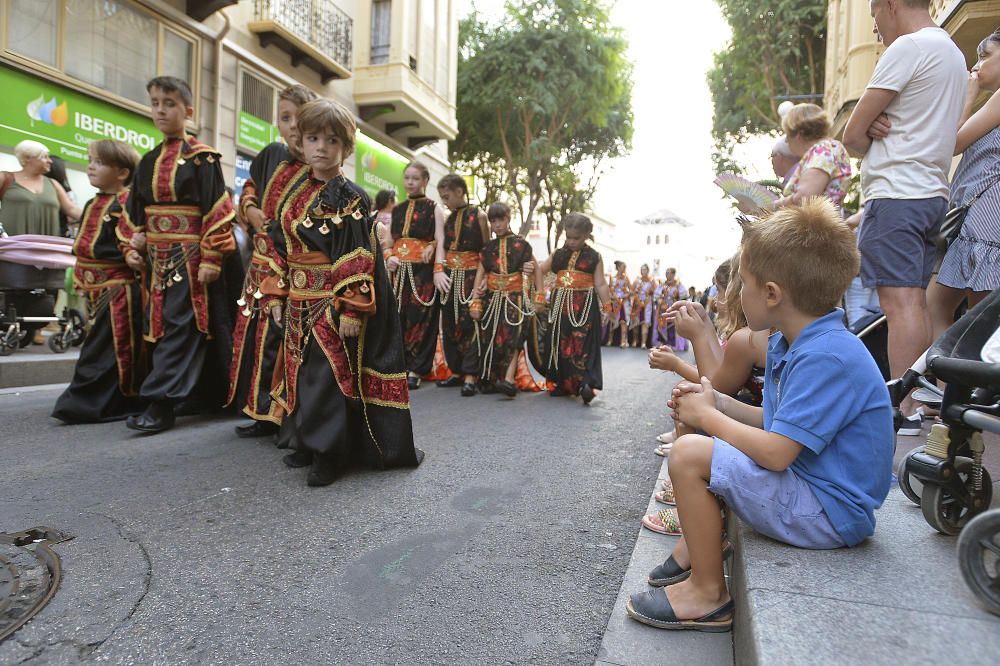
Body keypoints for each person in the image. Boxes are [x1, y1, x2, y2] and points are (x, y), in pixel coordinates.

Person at [626, 198, 894, 632]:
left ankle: (707, 594)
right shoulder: (800, 343)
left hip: (828, 512)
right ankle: (699, 547)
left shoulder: (827, 356)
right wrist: (718, 404)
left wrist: (710, 419)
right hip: (815, 491)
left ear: (771, 294)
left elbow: (775, 454)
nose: (734, 294)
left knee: (690, 453)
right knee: (703, 433)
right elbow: (774, 425)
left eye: (743, 284)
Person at [264, 98, 423, 486]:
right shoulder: (292, 190)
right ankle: (304, 441)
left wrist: (352, 308)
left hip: (329, 301)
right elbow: (277, 243)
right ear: (300, 141)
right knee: (299, 374)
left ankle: (329, 454)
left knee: (327, 377)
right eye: (313, 137)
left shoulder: (349, 195)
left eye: (331, 140)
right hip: (297, 300)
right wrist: (275, 294)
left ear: (346, 148)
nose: (321, 147)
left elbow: (355, 255)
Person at [842, 0, 966, 423]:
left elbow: (852, 136)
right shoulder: (952, 52)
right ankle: (921, 401)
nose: (875, 25)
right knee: (916, 303)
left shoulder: (908, 48)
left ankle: (907, 406)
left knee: (901, 305)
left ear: (891, 4)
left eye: (875, 12)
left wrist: (871, 128)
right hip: (932, 193)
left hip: (897, 194)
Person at [118, 76, 238, 433]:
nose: (159, 110)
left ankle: (160, 404)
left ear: (187, 111)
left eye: (168, 103)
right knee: (160, 327)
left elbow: (218, 210)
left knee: (182, 326)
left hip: (190, 260)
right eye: (154, 102)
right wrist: (130, 246)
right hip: (156, 262)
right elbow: (131, 215)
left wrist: (213, 258)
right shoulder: (148, 161)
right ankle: (196, 395)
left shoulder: (203, 159)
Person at [228, 84, 316, 439]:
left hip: (295, 271)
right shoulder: (273, 156)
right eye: (284, 118)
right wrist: (249, 209)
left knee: (285, 340)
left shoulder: (318, 171)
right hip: (261, 265)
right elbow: (250, 187)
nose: (292, 126)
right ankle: (260, 411)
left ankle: (286, 415)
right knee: (257, 337)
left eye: (299, 117)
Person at [52, 140, 145, 423]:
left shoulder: (127, 202)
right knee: (100, 346)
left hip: (118, 290)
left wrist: (132, 251)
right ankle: (92, 401)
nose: (91, 166)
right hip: (95, 287)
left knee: (111, 349)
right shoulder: (94, 202)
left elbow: (131, 236)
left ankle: (93, 403)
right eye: (90, 160)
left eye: (100, 162)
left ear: (122, 173)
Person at [929, 28, 1000, 344]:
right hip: (983, 221)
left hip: (985, 221)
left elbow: (951, 142)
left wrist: (967, 95)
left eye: (985, 56)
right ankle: (955, 390)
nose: (977, 65)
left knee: (969, 318)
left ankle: (959, 390)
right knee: (969, 316)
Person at [381, 161, 444, 390]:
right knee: (399, 318)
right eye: (407, 178)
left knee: (422, 320)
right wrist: (389, 257)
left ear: (425, 181)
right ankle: (400, 365)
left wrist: (434, 250)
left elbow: (440, 239)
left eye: (415, 178)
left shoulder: (434, 208)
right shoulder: (396, 210)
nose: (410, 182)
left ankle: (417, 369)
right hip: (399, 275)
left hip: (423, 274)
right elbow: (388, 242)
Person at [471, 202, 544, 396]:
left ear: (508, 218)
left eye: (501, 220)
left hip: (517, 300)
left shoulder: (521, 244)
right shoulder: (488, 248)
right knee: (493, 338)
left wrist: (539, 297)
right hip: (493, 300)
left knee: (515, 338)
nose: (497, 225)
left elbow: (536, 269)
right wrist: (475, 300)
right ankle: (494, 377)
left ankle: (509, 379)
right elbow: (481, 272)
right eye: (493, 221)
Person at [539, 213, 611, 404]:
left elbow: (601, 284)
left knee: (583, 345)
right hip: (559, 306)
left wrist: (608, 307)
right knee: (560, 343)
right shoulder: (558, 254)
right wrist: (531, 269)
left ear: (587, 234)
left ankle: (586, 384)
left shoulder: (594, 257)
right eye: (568, 237)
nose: (571, 241)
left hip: (585, 307)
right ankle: (562, 383)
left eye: (576, 238)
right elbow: (541, 271)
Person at [434, 174, 489, 395]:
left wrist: (483, 279)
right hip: (450, 276)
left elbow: (486, 250)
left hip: (471, 276)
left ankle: (470, 375)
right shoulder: (448, 219)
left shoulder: (480, 216)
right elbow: (444, 247)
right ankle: (456, 371)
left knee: (470, 324)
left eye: (446, 197)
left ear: (459, 191)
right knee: (449, 323)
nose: (445, 201)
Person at [776, 104, 852, 209]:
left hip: (811, 224)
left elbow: (805, 198)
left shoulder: (823, 151)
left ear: (798, 135)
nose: (786, 141)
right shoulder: (832, 148)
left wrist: (776, 204)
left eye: (787, 135)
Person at [0, 140, 81, 237]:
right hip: (11, 246)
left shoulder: (53, 184)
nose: (50, 161)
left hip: (46, 247)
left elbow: (71, 209)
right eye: (44, 157)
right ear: (27, 158)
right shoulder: (5, 178)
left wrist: (97, 215)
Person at [654, 267, 687, 350]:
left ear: (673, 274)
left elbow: (684, 296)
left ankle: (671, 343)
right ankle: (662, 342)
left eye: (669, 273)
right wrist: (660, 300)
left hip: (673, 308)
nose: (667, 275)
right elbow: (656, 296)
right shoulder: (662, 285)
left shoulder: (678, 285)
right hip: (663, 309)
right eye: (666, 273)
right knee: (661, 325)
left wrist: (676, 296)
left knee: (671, 325)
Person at [631, 264, 656, 349]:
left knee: (645, 323)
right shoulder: (637, 280)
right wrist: (635, 292)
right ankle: (635, 340)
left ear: (648, 271)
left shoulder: (652, 281)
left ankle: (643, 343)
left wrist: (651, 291)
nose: (643, 271)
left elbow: (657, 292)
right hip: (637, 303)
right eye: (642, 269)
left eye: (645, 270)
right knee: (636, 323)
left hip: (647, 303)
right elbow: (631, 290)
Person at [607, 261, 631, 348]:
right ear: (618, 268)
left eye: (625, 267)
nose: (624, 269)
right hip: (614, 302)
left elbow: (631, 290)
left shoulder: (626, 278)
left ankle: (623, 341)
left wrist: (625, 295)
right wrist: (612, 297)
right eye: (623, 267)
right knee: (612, 321)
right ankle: (610, 340)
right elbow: (609, 290)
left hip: (623, 303)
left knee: (623, 321)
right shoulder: (612, 278)